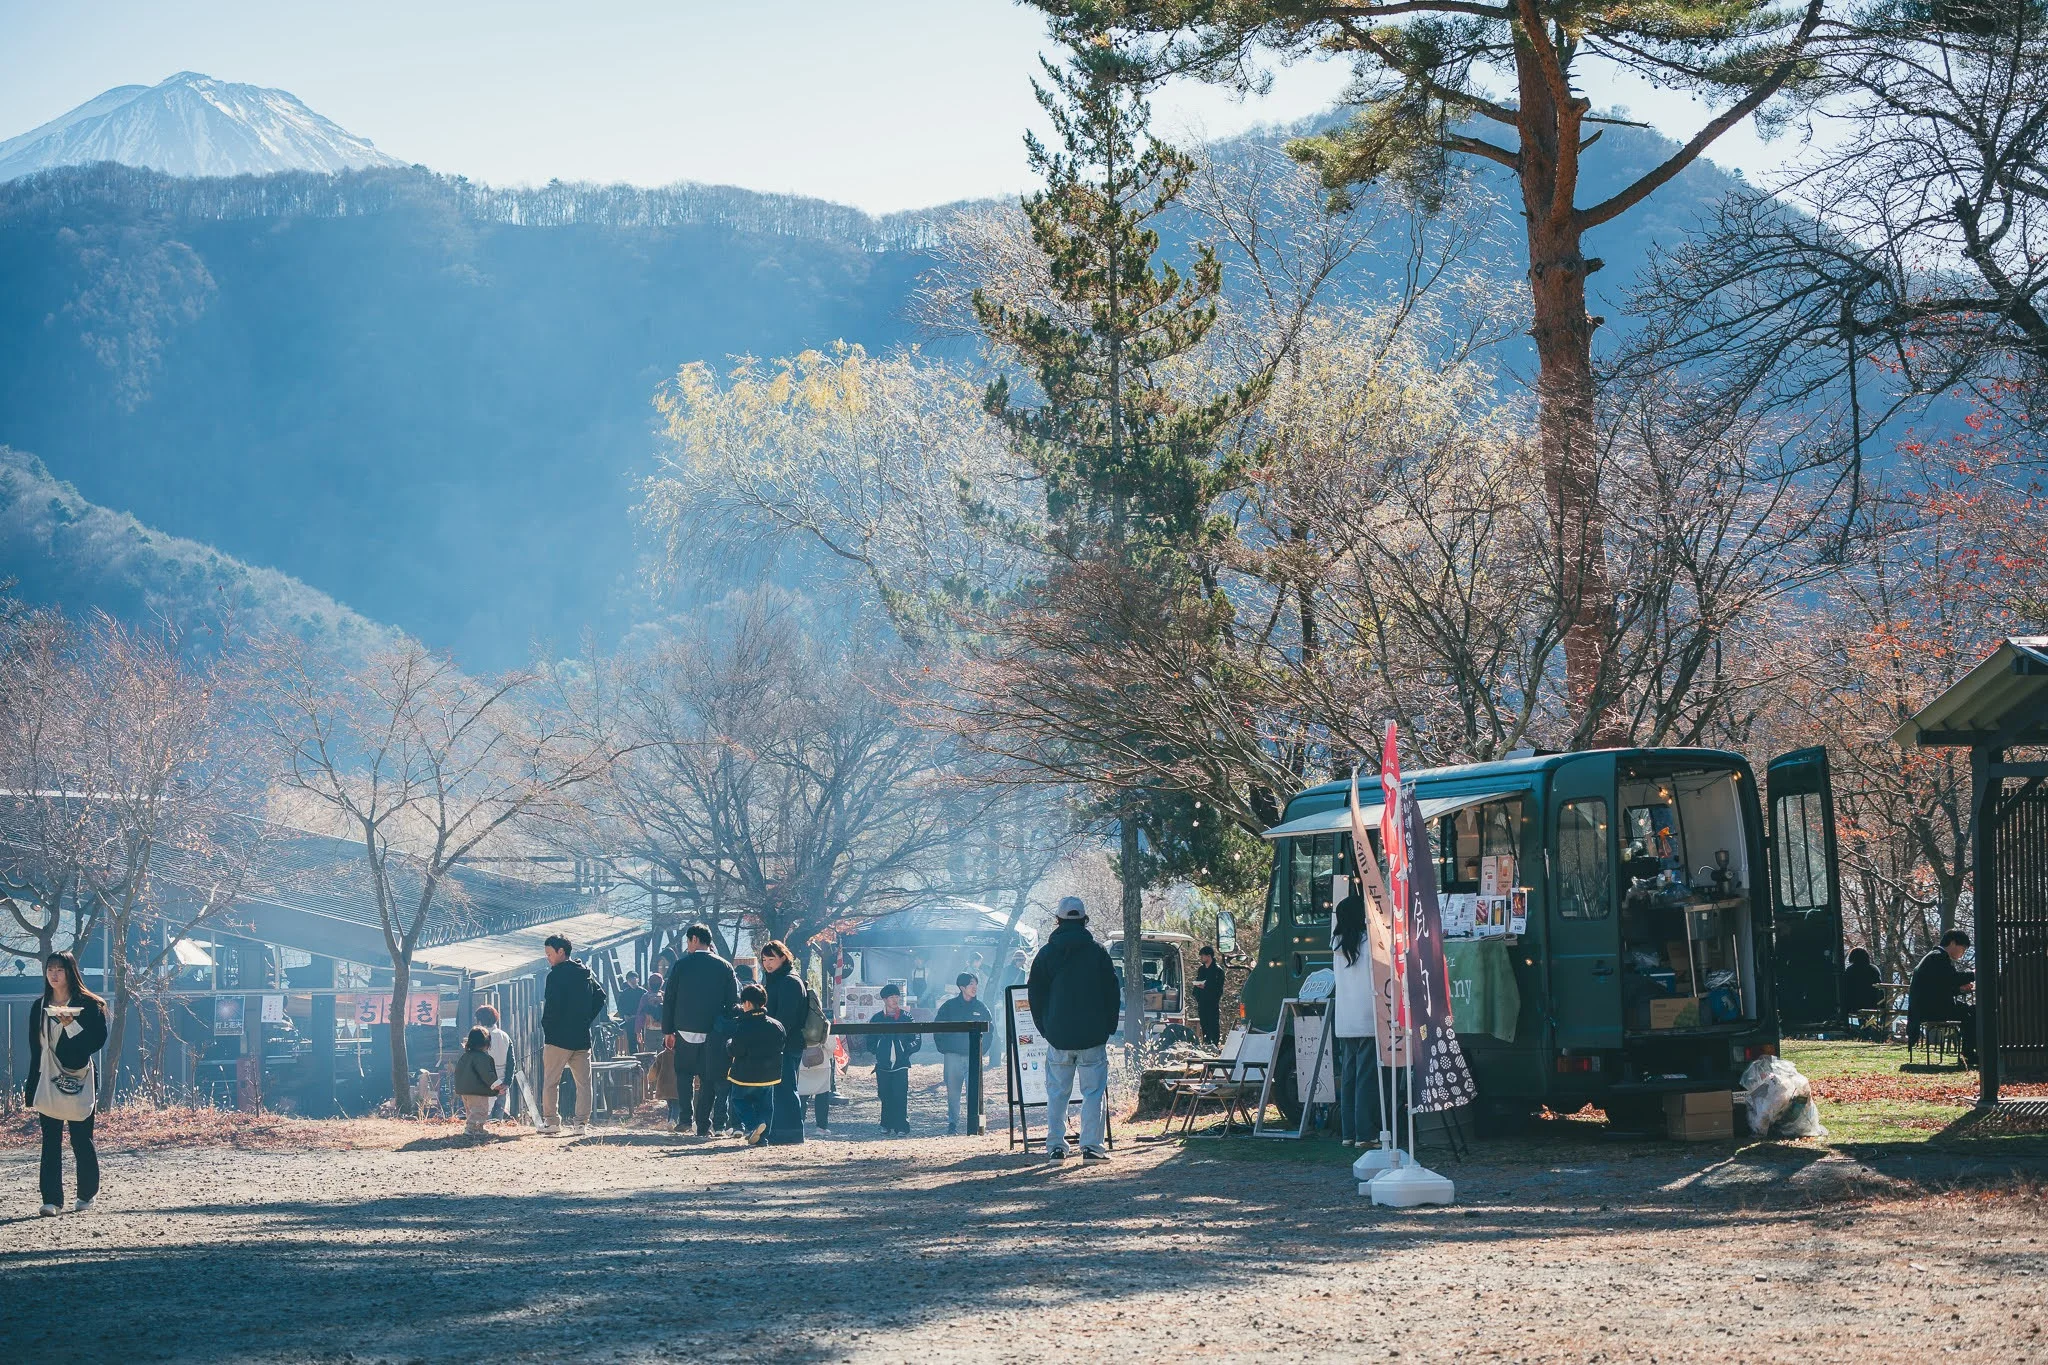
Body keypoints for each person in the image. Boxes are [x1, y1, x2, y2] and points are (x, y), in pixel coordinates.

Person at [1026, 896, 1120, 1161]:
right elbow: (1112, 992)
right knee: (1093, 1093)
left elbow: (1035, 995)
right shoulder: (1098, 952)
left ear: (1058, 920)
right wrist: (1108, 1027)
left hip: (1058, 1036)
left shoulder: (1046, 953)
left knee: (1057, 1093)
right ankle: (1091, 1147)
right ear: (1084, 920)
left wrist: (1046, 1028)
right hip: (1093, 1035)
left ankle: (1056, 1146)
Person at [26, 951, 108, 1216]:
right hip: (48, 1077)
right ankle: (51, 1200)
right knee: (50, 1140)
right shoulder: (39, 1006)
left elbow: (94, 1043)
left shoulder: (90, 1004)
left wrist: (71, 1025)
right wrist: (31, 1084)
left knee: (81, 1139)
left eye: (59, 969)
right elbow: (35, 1048)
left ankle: (86, 1194)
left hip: (79, 1077)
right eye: (50, 969)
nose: (54, 974)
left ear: (70, 972)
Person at [663, 923, 738, 1136]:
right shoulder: (725, 966)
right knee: (708, 1077)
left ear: (695, 939)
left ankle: (685, 1118)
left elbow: (669, 999)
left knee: (684, 1074)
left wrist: (668, 1030)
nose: (687, 946)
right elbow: (733, 1001)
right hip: (713, 1032)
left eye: (688, 941)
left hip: (684, 1029)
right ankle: (704, 1122)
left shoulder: (681, 965)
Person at [1329, 892, 1383, 1148]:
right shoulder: (1368, 941)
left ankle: (1348, 1132)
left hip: (1345, 1017)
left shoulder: (1337, 944)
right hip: (1368, 1016)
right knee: (1366, 1077)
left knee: (1349, 1076)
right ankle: (1365, 1133)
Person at [539, 935, 604, 1135]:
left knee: (551, 1082)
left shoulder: (555, 975)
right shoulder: (585, 973)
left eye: (549, 954)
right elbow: (600, 996)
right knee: (584, 1083)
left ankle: (552, 1122)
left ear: (561, 951)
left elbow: (551, 1006)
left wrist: (547, 1026)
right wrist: (586, 1019)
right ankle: (580, 1124)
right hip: (581, 1036)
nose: (548, 958)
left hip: (557, 1037)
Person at [758, 939, 809, 1145]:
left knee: (786, 1087)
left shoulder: (789, 981)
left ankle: (791, 1132)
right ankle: (781, 1130)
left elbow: (786, 1018)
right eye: (764, 959)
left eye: (771, 958)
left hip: (786, 1043)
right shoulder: (777, 979)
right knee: (780, 1087)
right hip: (781, 1043)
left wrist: (773, 1038)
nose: (767, 963)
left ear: (783, 957)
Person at [725, 984, 786, 1145]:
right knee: (766, 1106)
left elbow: (736, 1050)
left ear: (747, 1004)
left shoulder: (743, 1026)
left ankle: (752, 1126)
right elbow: (781, 1046)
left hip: (745, 1074)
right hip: (769, 1075)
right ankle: (762, 1138)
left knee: (738, 1099)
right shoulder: (776, 1025)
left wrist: (729, 1044)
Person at [1908, 929, 1978, 1065]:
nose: (1962, 954)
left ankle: (1968, 1053)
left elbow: (1940, 986)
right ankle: (1968, 1054)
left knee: (1969, 1011)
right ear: (1953, 943)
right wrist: (1973, 974)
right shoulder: (1939, 957)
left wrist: (1959, 989)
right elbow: (1951, 979)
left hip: (1924, 1007)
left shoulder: (1934, 956)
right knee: (1972, 1013)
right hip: (1932, 1009)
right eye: (1962, 949)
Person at [934, 972, 991, 1135]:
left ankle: (977, 1125)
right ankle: (952, 1124)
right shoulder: (949, 1006)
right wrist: (944, 1048)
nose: (974, 987)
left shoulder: (981, 1007)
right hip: (952, 1056)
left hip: (973, 1056)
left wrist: (981, 1050)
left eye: (976, 984)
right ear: (962, 987)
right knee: (953, 1091)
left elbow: (990, 1031)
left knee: (975, 1091)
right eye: (971, 984)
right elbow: (938, 1028)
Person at [867, 983, 921, 1135]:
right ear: (884, 999)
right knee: (884, 1094)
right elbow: (869, 1041)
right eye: (891, 997)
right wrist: (879, 1049)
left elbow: (917, 1038)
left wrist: (905, 1050)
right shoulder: (876, 1018)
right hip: (883, 1064)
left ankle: (901, 1126)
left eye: (897, 997)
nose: (895, 1000)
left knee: (900, 1094)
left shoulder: (906, 1017)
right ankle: (885, 1124)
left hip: (901, 1063)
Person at [453, 1027, 502, 1138]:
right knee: (480, 1111)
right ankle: (470, 1129)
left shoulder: (465, 1056)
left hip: (465, 1090)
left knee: (471, 1111)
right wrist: (497, 1085)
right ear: (486, 1043)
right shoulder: (482, 1058)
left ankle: (478, 1129)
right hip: (477, 1090)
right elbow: (487, 1074)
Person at [475, 1004, 515, 1119]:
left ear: (480, 1020)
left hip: (486, 1082)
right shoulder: (504, 1036)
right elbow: (511, 1061)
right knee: (498, 1118)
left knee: (484, 1117)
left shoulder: (480, 1037)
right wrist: (507, 1082)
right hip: (502, 1081)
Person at [1191, 944, 1226, 1048]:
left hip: (1212, 1001)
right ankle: (1206, 1042)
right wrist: (1197, 988)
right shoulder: (1201, 969)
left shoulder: (1218, 971)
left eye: (1203, 956)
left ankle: (1214, 1044)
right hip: (1202, 1001)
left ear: (1209, 956)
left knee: (1213, 1023)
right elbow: (1198, 981)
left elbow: (1219, 988)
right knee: (1204, 1023)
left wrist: (1206, 987)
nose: (1201, 958)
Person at [1842, 946, 1885, 1013]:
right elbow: (1879, 987)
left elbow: (1847, 987)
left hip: (1855, 1004)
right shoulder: (1873, 969)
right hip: (1874, 1003)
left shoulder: (1850, 970)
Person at [615, 971, 647, 1052]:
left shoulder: (643, 992)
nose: (632, 982)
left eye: (634, 979)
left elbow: (647, 1007)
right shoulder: (624, 993)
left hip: (642, 1021)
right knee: (632, 1042)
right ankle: (634, 1059)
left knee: (644, 1041)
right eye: (630, 980)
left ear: (638, 980)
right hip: (630, 1020)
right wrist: (624, 1015)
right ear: (627, 981)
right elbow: (620, 1007)